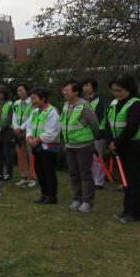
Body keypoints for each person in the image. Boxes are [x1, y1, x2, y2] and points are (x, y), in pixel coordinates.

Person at [107, 75, 140, 223]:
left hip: (133, 148)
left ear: (129, 89)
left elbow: (132, 127)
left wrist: (117, 142)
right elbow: (108, 123)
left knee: (134, 181)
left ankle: (135, 213)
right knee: (125, 182)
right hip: (119, 148)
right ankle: (126, 209)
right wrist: (110, 141)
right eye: (114, 90)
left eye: (120, 90)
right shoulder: (114, 103)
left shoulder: (135, 104)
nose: (117, 93)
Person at [60, 80, 100, 212]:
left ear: (76, 92)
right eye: (64, 90)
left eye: (67, 90)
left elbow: (95, 125)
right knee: (73, 174)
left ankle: (88, 202)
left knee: (86, 174)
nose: (64, 92)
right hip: (70, 145)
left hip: (84, 146)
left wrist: (90, 141)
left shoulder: (85, 106)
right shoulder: (66, 105)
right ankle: (78, 199)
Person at [26, 87, 61, 204]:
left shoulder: (52, 111)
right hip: (37, 146)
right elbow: (29, 126)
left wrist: (38, 139)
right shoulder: (35, 112)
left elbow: (52, 131)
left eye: (34, 98)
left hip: (48, 147)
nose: (33, 101)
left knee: (48, 172)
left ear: (43, 98)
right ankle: (44, 194)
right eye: (31, 99)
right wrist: (30, 137)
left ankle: (51, 196)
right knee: (39, 171)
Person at [82, 78, 107, 190]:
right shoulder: (82, 100)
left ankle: (99, 182)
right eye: (84, 86)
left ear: (93, 87)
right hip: (85, 133)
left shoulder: (99, 100)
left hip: (98, 133)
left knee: (97, 158)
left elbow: (97, 117)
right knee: (89, 158)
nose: (85, 88)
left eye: (88, 85)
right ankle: (92, 179)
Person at [12, 83, 34, 187]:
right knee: (21, 155)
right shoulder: (16, 103)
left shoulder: (33, 102)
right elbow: (14, 116)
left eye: (21, 90)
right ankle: (24, 177)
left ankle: (33, 178)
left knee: (31, 156)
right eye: (18, 91)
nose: (19, 92)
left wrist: (21, 128)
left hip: (29, 131)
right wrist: (16, 128)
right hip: (18, 133)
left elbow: (32, 117)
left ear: (26, 91)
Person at [0, 85, 14, 181]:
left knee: (7, 154)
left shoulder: (10, 104)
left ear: (5, 94)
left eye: (1, 93)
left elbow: (9, 119)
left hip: (7, 132)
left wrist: (0, 129)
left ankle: (9, 174)